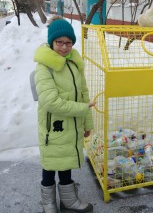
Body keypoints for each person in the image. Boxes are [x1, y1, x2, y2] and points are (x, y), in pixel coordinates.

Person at [34, 15, 95, 213]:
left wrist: (87, 123)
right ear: (51, 42)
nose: (64, 47)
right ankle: (48, 203)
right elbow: (50, 102)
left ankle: (68, 201)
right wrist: (82, 110)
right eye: (59, 42)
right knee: (51, 165)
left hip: (73, 126)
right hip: (54, 127)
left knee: (66, 161)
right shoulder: (44, 67)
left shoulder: (74, 64)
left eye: (68, 43)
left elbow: (83, 96)